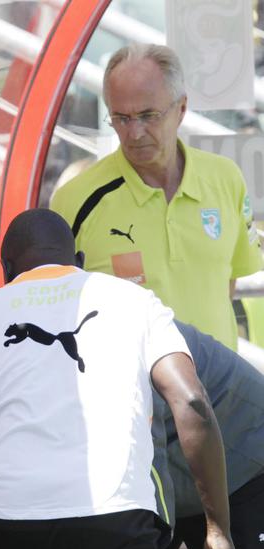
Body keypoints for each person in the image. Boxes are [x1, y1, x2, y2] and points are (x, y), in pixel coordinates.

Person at [0, 208, 238, 549]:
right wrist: (217, 528)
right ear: (78, 260)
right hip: (115, 517)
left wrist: (0, 518)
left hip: (7, 524)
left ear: (6, 268)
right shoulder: (136, 302)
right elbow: (192, 404)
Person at [50, 43, 262, 350]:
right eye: (121, 118)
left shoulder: (226, 179)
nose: (135, 133)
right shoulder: (75, 199)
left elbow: (226, 280)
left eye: (148, 115)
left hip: (217, 378)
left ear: (181, 109)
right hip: (127, 380)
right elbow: (56, 306)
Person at [154, 321, 264, 549]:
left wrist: (218, 528)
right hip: (170, 474)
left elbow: (193, 403)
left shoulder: (131, 323)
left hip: (242, 461)